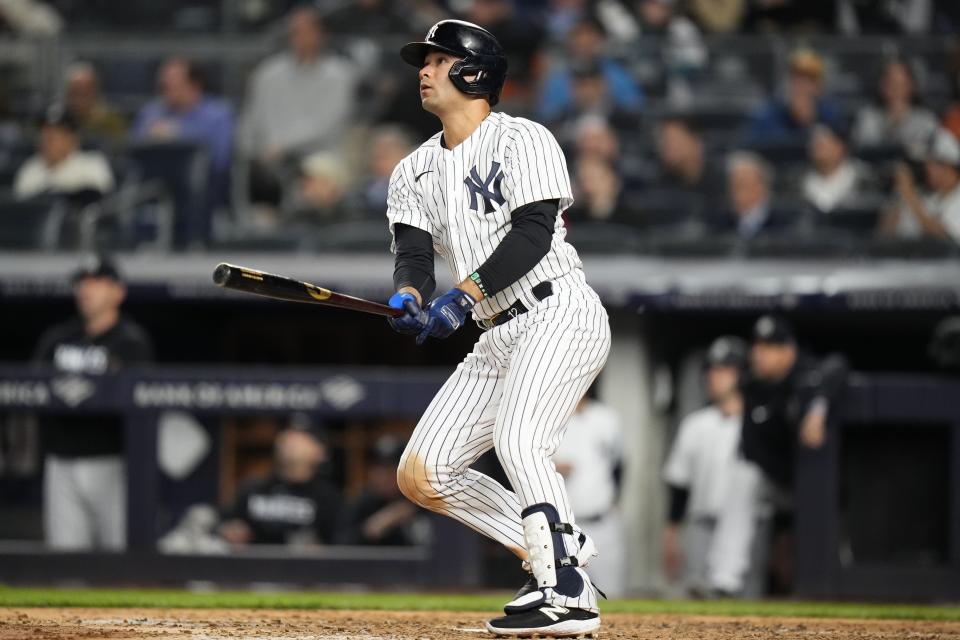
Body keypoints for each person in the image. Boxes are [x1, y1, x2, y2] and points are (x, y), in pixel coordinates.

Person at [385, 20, 611, 636]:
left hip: (557, 309)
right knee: (424, 471)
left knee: (518, 439)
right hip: (496, 332)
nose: (425, 71)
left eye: (437, 59)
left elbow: (534, 233)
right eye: (423, 62)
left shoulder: (524, 138)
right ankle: (560, 547)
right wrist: (411, 294)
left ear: (474, 71)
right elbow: (414, 257)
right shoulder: (413, 169)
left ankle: (567, 590)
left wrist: (463, 295)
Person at [708, 315, 848, 596]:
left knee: (836, 543)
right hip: (778, 482)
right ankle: (725, 581)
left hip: (819, 485)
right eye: (757, 346)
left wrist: (817, 411)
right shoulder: (753, 386)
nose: (759, 354)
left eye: (769, 347)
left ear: (789, 351)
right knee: (744, 477)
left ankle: (848, 583)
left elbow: (839, 365)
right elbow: (750, 450)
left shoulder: (808, 373)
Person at [32, 255, 153, 551]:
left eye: (96, 283)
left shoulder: (131, 342)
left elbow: (140, 400)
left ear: (117, 291)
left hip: (110, 460)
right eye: (82, 284)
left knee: (118, 550)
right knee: (64, 556)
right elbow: (33, 387)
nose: (86, 291)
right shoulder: (57, 339)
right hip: (61, 459)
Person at [663, 336, 766, 597]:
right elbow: (679, 486)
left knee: (750, 607)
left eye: (723, 369)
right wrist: (671, 534)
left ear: (742, 374)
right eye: (710, 369)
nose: (713, 376)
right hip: (702, 528)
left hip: (752, 528)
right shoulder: (695, 424)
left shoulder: (761, 422)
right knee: (696, 609)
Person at [239, 6, 359, 207]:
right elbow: (252, 119)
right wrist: (252, 151)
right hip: (269, 158)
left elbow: (329, 124)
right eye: (295, 33)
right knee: (248, 172)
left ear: (321, 35)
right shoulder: (267, 73)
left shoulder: (340, 74)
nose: (300, 38)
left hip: (320, 155)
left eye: (306, 32)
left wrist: (283, 146)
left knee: (316, 174)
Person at [551, 390, 625, 597]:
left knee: (612, 593)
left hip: (602, 520)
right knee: (564, 595)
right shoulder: (549, 419)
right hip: (564, 526)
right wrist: (552, 467)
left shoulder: (606, 418)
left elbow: (619, 464)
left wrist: (617, 499)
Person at [132, 57, 235, 204]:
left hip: (203, 188)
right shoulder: (152, 111)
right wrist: (150, 135)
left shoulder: (218, 114)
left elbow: (220, 158)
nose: (165, 91)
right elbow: (134, 146)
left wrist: (180, 134)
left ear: (194, 86)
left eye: (172, 86)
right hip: (155, 184)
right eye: (163, 86)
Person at [219, 427, 341, 547]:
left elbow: (340, 541)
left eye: (301, 439)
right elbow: (226, 523)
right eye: (288, 438)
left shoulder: (328, 496)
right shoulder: (254, 488)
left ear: (319, 452)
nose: (291, 442)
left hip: (304, 565)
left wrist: (322, 550)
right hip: (257, 562)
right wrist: (232, 531)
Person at [538, 17, 643, 124]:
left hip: (610, 128)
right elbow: (546, 113)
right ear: (571, 43)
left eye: (589, 43)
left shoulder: (616, 72)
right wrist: (575, 102)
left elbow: (634, 106)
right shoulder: (558, 76)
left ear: (599, 41)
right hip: (571, 131)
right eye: (580, 44)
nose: (585, 48)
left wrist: (606, 99)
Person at [337, 436, 429, 546]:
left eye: (391, 470)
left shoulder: (421, 501)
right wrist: (373, 527)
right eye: (379, 470)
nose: (385, 477)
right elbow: (340, 547)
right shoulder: (361, 503)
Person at [745, 49, 843, 146]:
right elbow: (748, 148)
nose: (801, 86)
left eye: (808, 80)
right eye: (796, 79)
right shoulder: (769, 113)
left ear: (819, 86)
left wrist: (808, 121)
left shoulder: (829, 113)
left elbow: (842, 150)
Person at [13, 107, 114, 200]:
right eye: (44, 133)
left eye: (56, 133)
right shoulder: (30, 169)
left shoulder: (92, 164)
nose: (48, 139)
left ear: (73, 138)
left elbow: (102, 205)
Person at [881, 128, 960, 242]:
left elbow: (946, 243)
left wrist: (910, 196)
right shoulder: (925, 196)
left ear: (949, 166)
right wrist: (899, 195)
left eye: (932, 164)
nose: (927, 170)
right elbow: (886, 236)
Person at [852, 59, 938, 155]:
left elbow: (926, 153)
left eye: (901, 83)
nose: (895, 88)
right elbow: (862, 149)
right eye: (890, 82)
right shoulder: (867, 117)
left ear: (911, 86)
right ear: (881, 85)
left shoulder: (926, 119)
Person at [710, 151, 792, 239]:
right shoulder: (721, 223)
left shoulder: (783, 223)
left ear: (763, 186)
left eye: (742, 183)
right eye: (733, 184)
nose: (736, 191)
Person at [800, 123, 876, 214]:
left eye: (823, 143)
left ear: (841, 147)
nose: (817, 147)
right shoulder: (798, 179)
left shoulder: (864, 177)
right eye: (815, 143)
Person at [654, 115, 726, 200]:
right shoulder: (661, 184)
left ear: (696, 141)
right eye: (664, 141)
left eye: (675, 140)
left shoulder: (723, 181)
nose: (668, 147)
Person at [62, 62, 128, 143]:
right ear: (68, 94)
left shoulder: (112, 120)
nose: (81, 98)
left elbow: (118, 147)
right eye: (76, 92)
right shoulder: (59, 121)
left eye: (86, 92)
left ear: (96, 92)